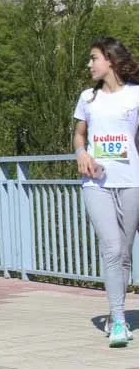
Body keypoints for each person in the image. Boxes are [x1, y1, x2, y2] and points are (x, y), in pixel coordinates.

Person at [72, 36, 139, 348]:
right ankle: (118, 320)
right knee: (111, 249)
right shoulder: (88, 98)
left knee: (124, 254)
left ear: (110, 60)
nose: (89, 64)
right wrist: (81, 154)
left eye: (93, 57)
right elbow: (79, 135)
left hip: (131, 181)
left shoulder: (136, 96)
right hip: (96, 184)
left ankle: (117, 313)